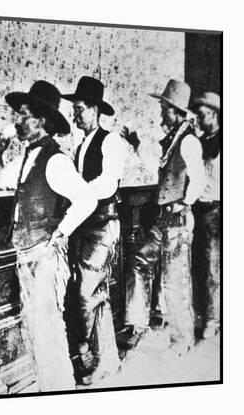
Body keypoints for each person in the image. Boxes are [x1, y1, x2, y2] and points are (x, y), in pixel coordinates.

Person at [4, 80, 97, 391]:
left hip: (44, 258)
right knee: (35, 332)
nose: (17, 120)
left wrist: (61, 232)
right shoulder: (30, 156)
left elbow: (87, 199)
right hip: (27, 255)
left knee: (47, 336)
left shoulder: (55, 160)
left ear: (41, 120)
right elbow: (6, 182)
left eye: (22, 114)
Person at [122, 79, 205, 355]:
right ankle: (138, 325)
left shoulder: (189, 140)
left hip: (177, 219)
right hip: (162, 219)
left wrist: (184, 203)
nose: (160, 114)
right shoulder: (173, 141)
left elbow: (199, 179)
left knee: (175, 280)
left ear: (176, 111)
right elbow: (159, 171)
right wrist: (136, 145)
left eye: (164, 108)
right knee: (138, 261)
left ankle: (182, 340)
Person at [60, 75, 127, 384]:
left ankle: (87, 355)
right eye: (74, 109)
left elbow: (108, 182)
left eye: (80, 108)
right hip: (85, 226)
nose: (75, 114)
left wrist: (80, 191)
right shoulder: (80, 143)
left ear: (96, 109)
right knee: (94, 293)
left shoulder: (111, 140)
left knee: (87, 293)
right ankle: (106, 362)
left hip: (102, 226)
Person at [189, 92, 221, 339]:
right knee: (200, 264)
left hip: (216, 208)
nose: (198, 121)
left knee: (212, 266)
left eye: (202, 116)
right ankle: (203, 315)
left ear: (214, 114)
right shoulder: (198, 142)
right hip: (199, 209)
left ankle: (213, 319)